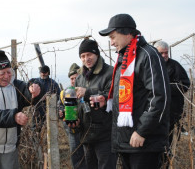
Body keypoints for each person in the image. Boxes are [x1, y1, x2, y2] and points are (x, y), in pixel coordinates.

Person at [99, 13, 171, 169]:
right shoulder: (125, 59)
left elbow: (159, 98)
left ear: (127, 33)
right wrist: (106, 99)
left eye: (113, 37)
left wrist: (142, 131)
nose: (111, 43)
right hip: (128, 141)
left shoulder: (148, 56)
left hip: (143, 141)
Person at [0, 50, 42, 169]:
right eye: (2, 73)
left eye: (9, 72)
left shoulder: (14, 84)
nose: (6, 77)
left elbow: (26, 90)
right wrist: (14, 116)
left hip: (10, 148)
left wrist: (33, 89)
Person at [73, 39, 116, 169]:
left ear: (96, 54)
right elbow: (77, 103)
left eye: (89, 55)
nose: (86, 59)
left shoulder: (110, 73)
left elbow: (113, 95)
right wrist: (74, 118)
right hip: (87, 134)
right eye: (83, 56)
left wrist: (88, 92)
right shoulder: (80, 77)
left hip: (105, 135)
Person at [155, 41, 190, 144]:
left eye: (166, 52)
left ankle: (167, 158)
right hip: (155, 110)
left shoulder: (175, 66)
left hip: (171, 110)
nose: (165, 55)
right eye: (162, 53)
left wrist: (166, 88)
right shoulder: (150, 66)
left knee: (167, 139)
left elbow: (185, 85)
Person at [59, 63, 86, 169]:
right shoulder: (64, 93)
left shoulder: (85, 91)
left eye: (76, 77)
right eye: (71, 78)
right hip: (73, 132)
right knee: (77, 159)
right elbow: (60, 107)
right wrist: (61, 112)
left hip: (86, 130)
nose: (74, 80)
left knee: (88, 160)